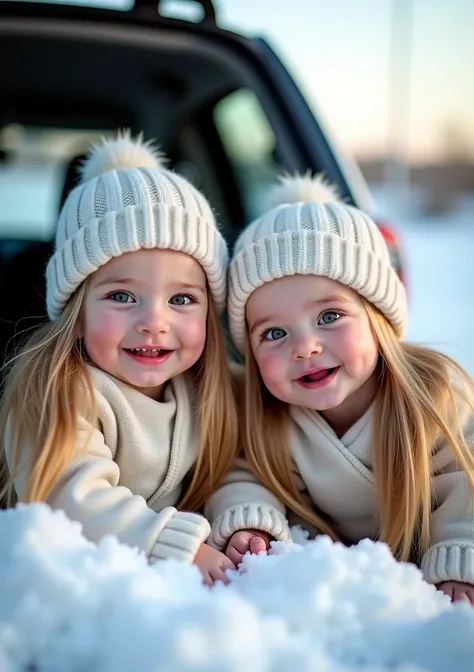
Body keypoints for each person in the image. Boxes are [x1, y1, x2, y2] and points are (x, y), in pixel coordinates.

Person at [206, 174, 474, 604]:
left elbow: (467, 481)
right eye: (274, 333)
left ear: (378, 317)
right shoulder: (268, 416)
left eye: (329, 317)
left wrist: (461, 558)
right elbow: (244, 473)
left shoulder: (434, 394)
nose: (305, 347)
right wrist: (250, 520)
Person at [0, 131, 238, 585]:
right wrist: (172, 545)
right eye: (123, 295)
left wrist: (242, 518)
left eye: (182, 300)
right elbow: (71, 496)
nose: (154, 321)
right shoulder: (59, 390)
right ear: (77, 308)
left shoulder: (211, 390)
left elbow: (238, 469)